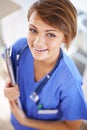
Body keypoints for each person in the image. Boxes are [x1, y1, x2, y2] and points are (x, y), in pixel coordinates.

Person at [4, 0, 87, 130]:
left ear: (65, 37)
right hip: (16, 124)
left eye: (50, 34)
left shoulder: (69, 82)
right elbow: (9, 67)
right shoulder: (21, 47)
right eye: (33, 30)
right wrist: (9, 84)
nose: (38, 42)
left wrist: (26, 122)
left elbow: (73, 127)